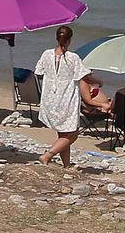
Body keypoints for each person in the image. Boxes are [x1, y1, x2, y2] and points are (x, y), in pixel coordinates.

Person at [34, 25, 93, 168]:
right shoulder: (73, 57)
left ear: (56, 37)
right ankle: (47, 155)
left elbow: (38, 72)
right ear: (70, 40)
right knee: (72, 134)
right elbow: (85, 76)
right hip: (66, 99)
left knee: (63, 133)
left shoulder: (46, 54)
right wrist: (98, 81)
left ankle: (66, 164)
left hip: (50, 98)